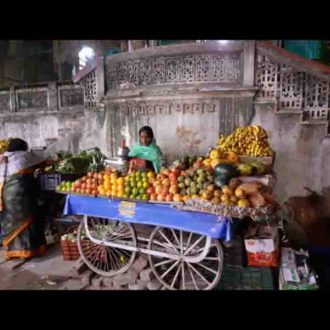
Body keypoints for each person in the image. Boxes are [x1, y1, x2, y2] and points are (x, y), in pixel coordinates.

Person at [0, 138, 47, 260]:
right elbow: (43, 159)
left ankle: (13, 252)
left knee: (12, 223)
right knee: (31, 218)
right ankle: (30, 250)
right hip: (20, 194)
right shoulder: (23, 156)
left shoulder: (3, 158)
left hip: (5, 196)